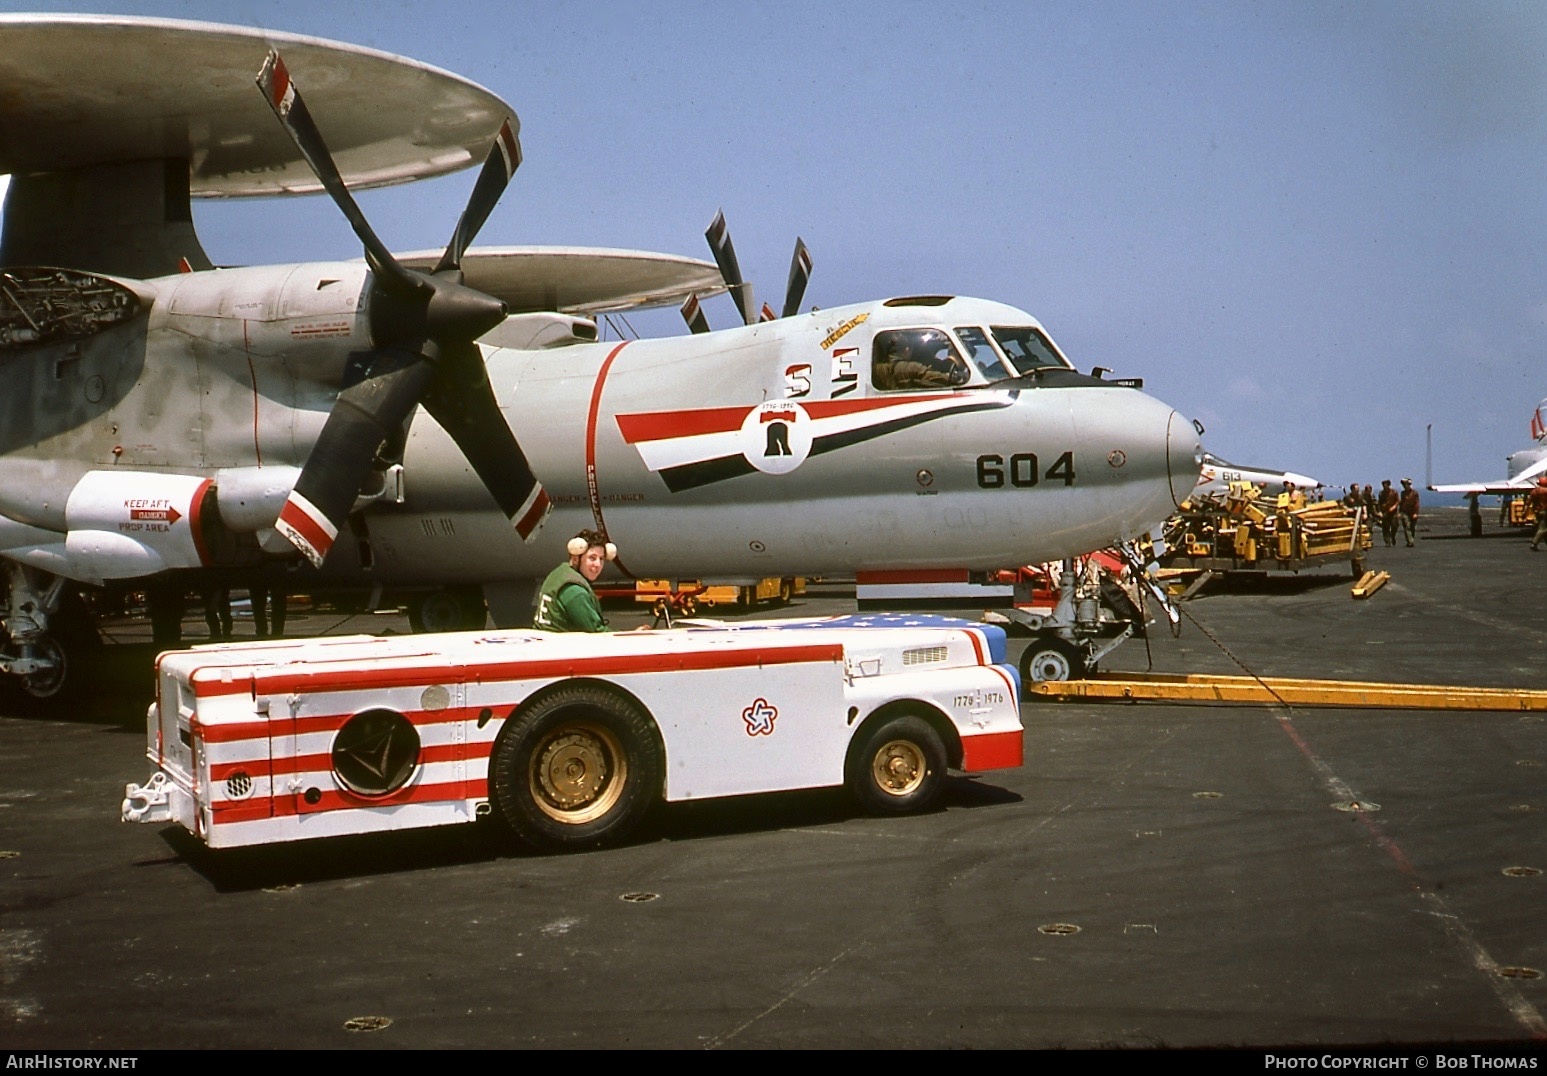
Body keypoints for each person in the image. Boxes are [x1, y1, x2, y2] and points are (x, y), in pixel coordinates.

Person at [534, 529, 617, 632]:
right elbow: (597, 633)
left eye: (601, 559)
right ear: (575, 559)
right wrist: (632, 636)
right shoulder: (575, 591)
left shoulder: (560, 574)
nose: (598, 564)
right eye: (592, 558)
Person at [1376, 479, 1400, 547]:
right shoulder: (1381, 493)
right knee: (1385, 527)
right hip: (1385, 512)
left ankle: (1392, 536)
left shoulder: (1394, 492)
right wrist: (1380, 511)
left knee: (1395, 525)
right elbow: (1379, 503)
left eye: (1385, 485)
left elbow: (1398, 501)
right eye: (1383, 485)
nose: (1384, 486)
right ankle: (1387, 542)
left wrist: (1394, 507)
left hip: (1393, 512)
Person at [1398, 478, 1420, 547]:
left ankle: (1410, 540)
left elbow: (1416, 503)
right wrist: (1399, 512)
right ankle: (1410, 541)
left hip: (1413, 512)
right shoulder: (1403, 493)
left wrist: (1416, 513)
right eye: (1404, 485)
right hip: (1405, 512)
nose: (1405, 486)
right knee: (1407, 527)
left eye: (1406, 484)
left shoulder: (1415, 493)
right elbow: (1401, 503)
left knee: (1412, 527)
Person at [1529, 476, 1547, 551]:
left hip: (1537, 512)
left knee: (1543, 528)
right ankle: (1534, 543)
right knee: (1543, 529)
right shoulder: (1546, 491)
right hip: (1545, 512)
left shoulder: (1534, 492)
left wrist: (1524, 512)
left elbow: (1528, 503)